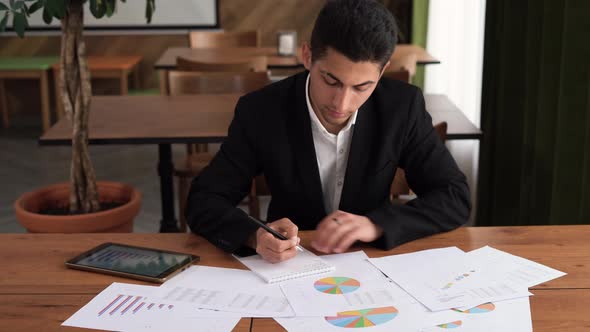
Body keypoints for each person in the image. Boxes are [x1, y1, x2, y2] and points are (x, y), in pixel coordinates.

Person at [186, 0, 471, 263]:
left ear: (382, 72)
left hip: (371, 263)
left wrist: (376, 225)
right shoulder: (261, 111)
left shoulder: (402, 107)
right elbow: (203, 201)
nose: (342, 103)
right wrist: (254, 235)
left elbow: (454, 196)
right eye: (331, 80)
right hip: (287, 264)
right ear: (307, 55)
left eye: (362, 87)